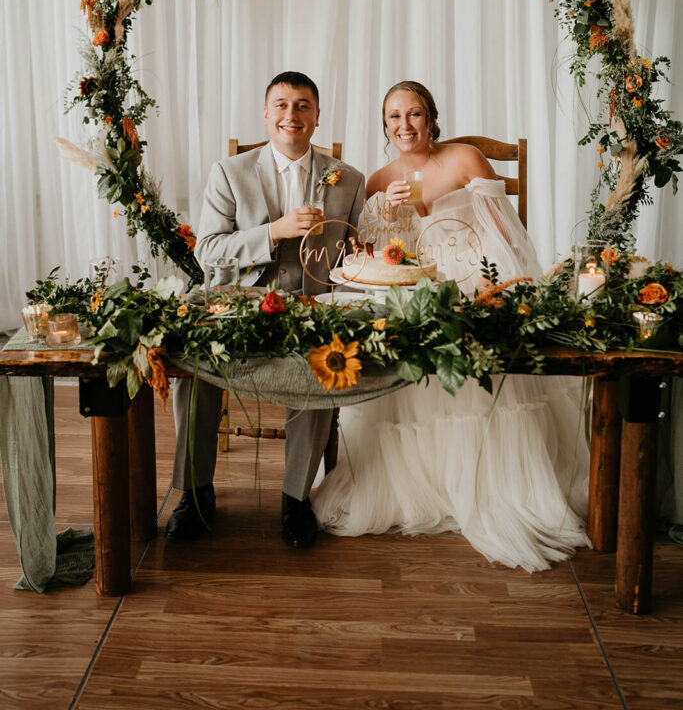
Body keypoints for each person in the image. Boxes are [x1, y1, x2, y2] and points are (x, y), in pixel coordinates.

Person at [312, 81, 590, 572]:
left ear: (432, 118)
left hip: (474, 281)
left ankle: (490, 484)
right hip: (415, 290)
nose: (405, 126)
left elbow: (506, 238)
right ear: (384, 125)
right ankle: (419, 484)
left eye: (414, 114)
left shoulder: (464, 160)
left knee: (471, 341)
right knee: (398, 336)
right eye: (394, 117)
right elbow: (380, 261)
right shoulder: (378, 180)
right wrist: (390, 215)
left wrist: (490, 295)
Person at [167, 71, 365, 548]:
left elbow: (355, 257)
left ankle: (296, 499)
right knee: (194, 366)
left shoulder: (349, 179)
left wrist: (363, 259)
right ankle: (194, 494)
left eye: (302, 106)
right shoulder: (230, 172)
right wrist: (273, 232)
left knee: (327, 364)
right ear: (266, 114)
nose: (290, 115)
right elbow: (208, 251)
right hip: (237, 308)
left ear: (317, 117)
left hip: (311, 308)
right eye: (281, 105)